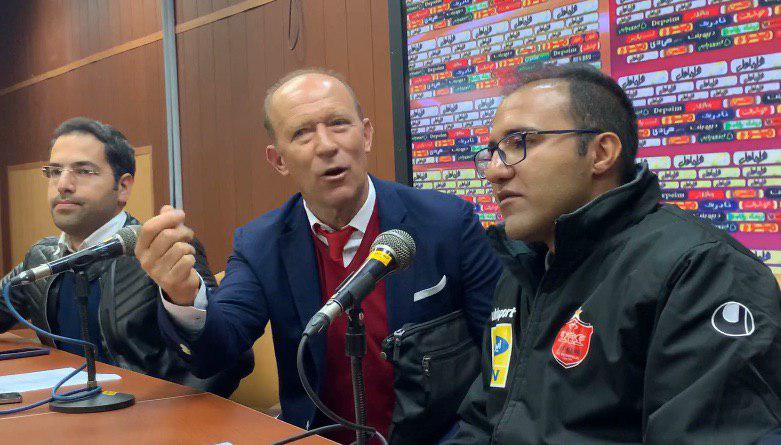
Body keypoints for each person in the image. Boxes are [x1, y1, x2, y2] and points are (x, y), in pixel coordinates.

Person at [136, 69, 502, 442]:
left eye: (339, 124)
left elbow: (501, 352)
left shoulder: (447, 223)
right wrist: (183, 295)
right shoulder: (261, 244)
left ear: (366, 135)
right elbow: (217, 353)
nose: (326, 146)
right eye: (302, 133)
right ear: (278, 160)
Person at [448, 64, 781, 444]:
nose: (494, 171)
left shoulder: (700, 270)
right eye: (494, 151)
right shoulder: (523, 269)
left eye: (519, 142)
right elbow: (482, 422)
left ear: (601, 153)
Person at [0, 117, 250, 397]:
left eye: (83, 171)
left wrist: (151, 415)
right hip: (62, 408)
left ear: (123, 187)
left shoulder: (162, 252)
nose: (63, 185)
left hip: (143, 414)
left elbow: (227, 359)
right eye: (55, 171)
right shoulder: (41, 259)